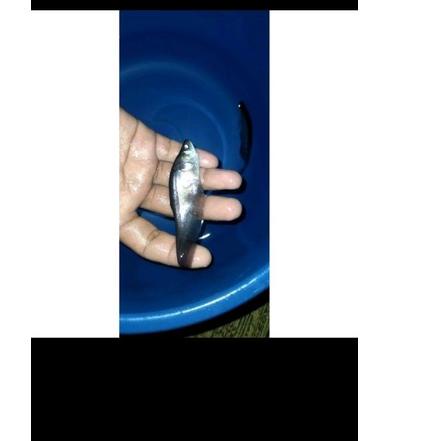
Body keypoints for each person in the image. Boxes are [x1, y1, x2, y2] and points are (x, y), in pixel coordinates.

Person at [120, 108, 243, 268]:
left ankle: (185, 246)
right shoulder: (184, 163)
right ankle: (184, 247)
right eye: (186, 150)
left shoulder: (185, 164)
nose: (188, 147)